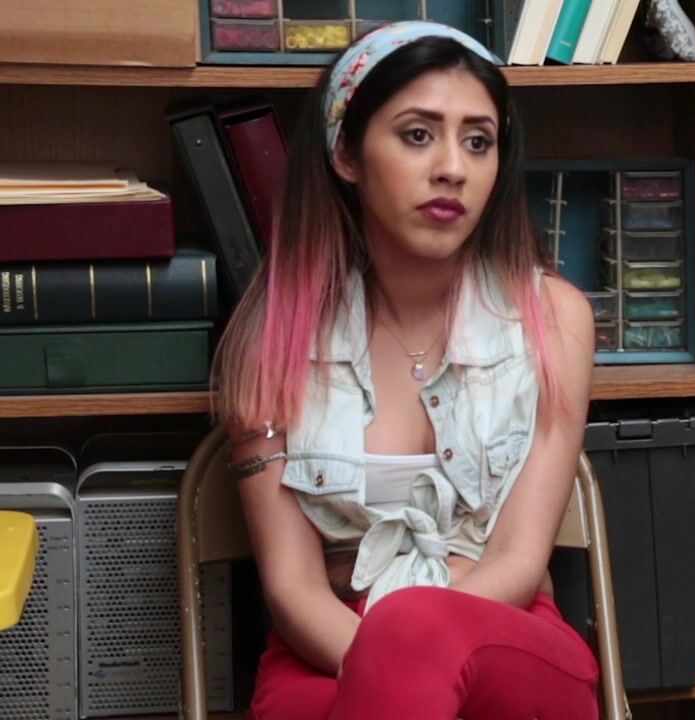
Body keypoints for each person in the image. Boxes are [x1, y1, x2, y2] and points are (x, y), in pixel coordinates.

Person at [211, 21, 599, 720]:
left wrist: (409, 649)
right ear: (346, 153)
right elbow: (294, 588)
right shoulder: (272, 337)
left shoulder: (555, 319)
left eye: (478, 141)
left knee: (416, 631)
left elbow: (517, 561)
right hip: (328, 635)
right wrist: (390, 668)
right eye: (418, 134)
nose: (452, 167)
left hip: (506, 633)